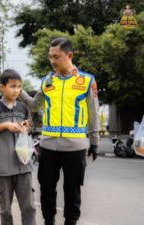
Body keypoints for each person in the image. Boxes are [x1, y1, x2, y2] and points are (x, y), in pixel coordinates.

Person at [19, 37, 100, 225]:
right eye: (50, 57)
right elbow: (34, 104)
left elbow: (93, 113)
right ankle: (49, 222)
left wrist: (94, 142)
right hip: (48, 146)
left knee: (72, 192)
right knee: (46, 190)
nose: (53, 61)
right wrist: (19, 90)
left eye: (57, 56)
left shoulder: (87, 81)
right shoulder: (47, 81)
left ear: (69, 55)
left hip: (75, 147)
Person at [0, 69, 36, 225]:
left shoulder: (23, 107)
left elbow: (29, 126)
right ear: (2, 87)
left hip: (24, 165)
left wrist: (26, 125)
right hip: (4, 167)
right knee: (5, 209)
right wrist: (5, 125)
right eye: (13, 86)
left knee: (29, 207)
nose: (17, 90)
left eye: (19, 87)